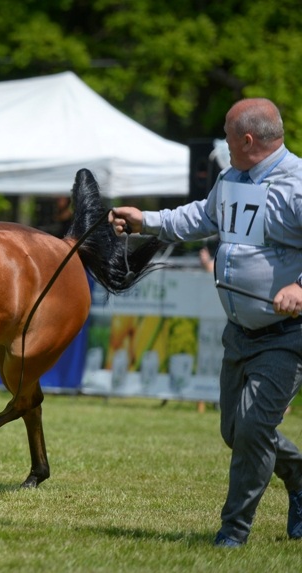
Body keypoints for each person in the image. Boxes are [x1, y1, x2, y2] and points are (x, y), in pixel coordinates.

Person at [109, 98, 302, 547]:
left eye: (228, 136)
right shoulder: (232, 178)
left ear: (247, 140)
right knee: (237, 431)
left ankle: (232, 532)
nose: (224, 145)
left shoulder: (296, 185)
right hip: (240, 333)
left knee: (254, 427)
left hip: (287, 335)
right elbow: (201, 217)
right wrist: (147, 221)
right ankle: (298, 478)